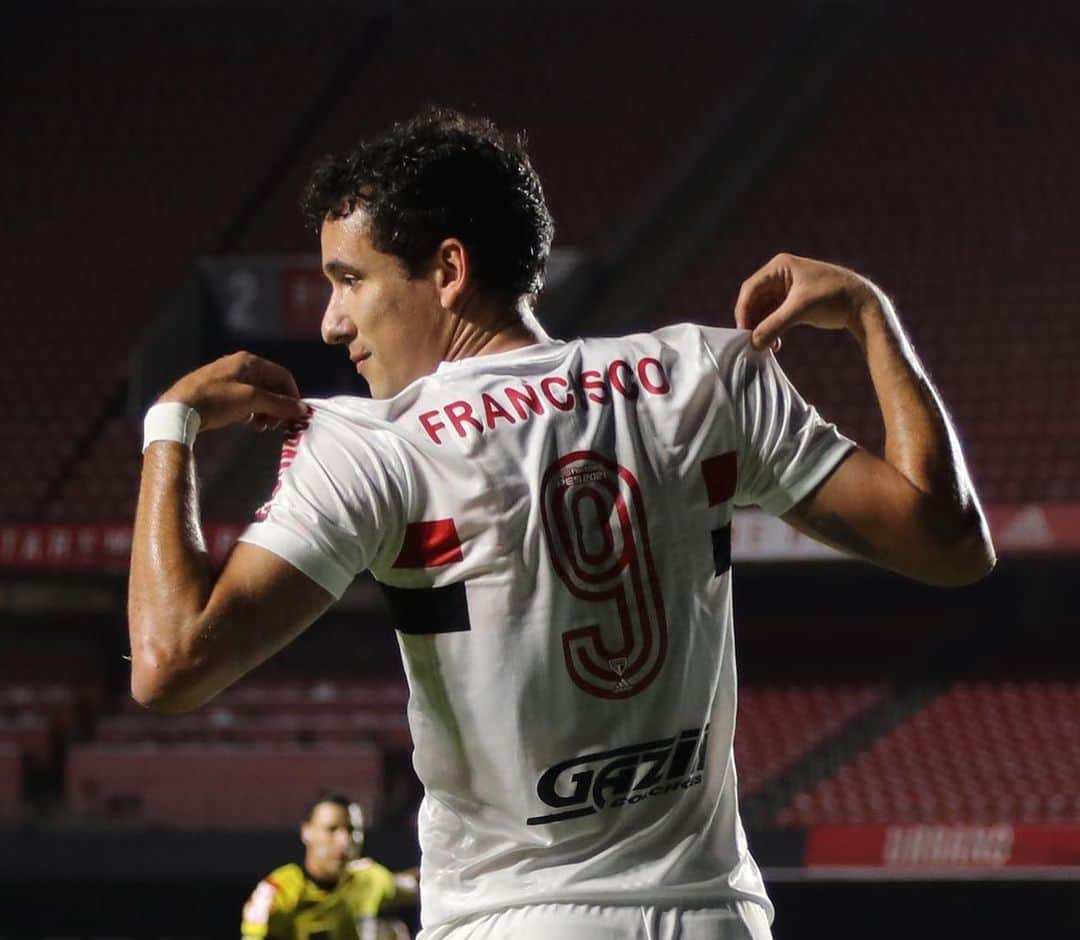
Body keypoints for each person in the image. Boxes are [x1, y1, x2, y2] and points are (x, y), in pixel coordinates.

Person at [128, 109, 995, 939]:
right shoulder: (706, 376)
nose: (331, 321)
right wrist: (870, 316)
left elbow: (170, 664)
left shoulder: (371, 444)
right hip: (715, 917)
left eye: (350, 280)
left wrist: (170, 428)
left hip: (511, 919)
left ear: (449, 269)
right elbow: (951, 546)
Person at [241, 790, 418, 940]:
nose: (344, 841)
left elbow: (416, 885)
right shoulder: (279, 892)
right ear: (307, 831)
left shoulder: (368, 878)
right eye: (331, 829)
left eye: (352, 830)